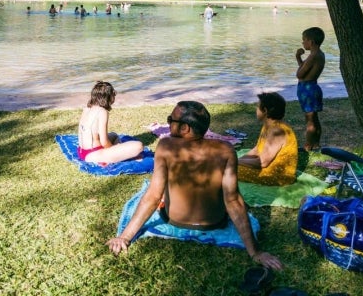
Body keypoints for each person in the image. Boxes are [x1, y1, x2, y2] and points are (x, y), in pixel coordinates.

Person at [106, 101, 283, 270]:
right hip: (214, 223)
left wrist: (125, 236)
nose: (168, 124)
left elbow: (153, 196)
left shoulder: (166, 146)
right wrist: (255, 252)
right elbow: (232, 200)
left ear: (185, 128)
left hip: (174, 220)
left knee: (154, 190)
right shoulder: (225, 149)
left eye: (170, 120)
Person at [238, 93, 298, 186]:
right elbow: (257, 149)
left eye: (257, 106)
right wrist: (239, 159)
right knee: (227, 165)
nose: (256, 109)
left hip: (277, 175)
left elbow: (263, 162)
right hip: (267, 168)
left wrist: (235, 162)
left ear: (265, 110)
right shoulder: (268, 126)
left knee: (227, 169)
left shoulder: (277, 131)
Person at [77, 81, 144, 164]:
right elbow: (104, 141)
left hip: (81, 151)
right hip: (93, 154)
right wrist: (115, 149)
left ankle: (113, 154)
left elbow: (80, 133)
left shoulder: (86, 109)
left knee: (114, 135)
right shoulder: (102, 112)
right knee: (139, 146)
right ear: (108, 97)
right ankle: (110, 158)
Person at [295, 27, 326, 151]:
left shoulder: (313, 56)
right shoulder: (318, 54)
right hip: (311, 87)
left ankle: (308, 145)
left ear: (311, 42)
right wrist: (298, 58)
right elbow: (305, 69)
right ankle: (316, 144)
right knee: (314, 118)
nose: (303, 43)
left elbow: (300, 74)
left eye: (304, 40)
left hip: (308, 89)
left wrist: (299, 69)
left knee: (310, 120)